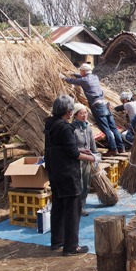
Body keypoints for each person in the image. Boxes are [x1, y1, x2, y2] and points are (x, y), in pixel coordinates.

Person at [44, 95, 96, 256]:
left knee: (58, 206)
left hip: (55, 171)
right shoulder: (65, 127)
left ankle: (56, 242)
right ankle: (71, 247)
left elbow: (61, 147)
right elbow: (73, 153)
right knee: (73, 210)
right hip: (67, 173)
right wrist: (91, 157)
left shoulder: (50, 124)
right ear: (68, 111)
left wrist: (80, 150)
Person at [62, 63, 124, 156]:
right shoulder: (95, 77)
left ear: (84, 71)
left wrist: (63, 78)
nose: (80, 72)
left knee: (106, 129)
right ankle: (121, 147)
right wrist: (75, 74)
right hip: (105, 104)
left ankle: (113, 149)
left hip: (98, 107)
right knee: (113, 128)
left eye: (81, 71)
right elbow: (82, 77)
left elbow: (72, 81)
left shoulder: (84, 80)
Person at [71, 103, 102, 217]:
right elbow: (71, 147)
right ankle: (77, 207)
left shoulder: (87, 127)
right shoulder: (72, 128)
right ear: (75, 115)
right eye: (82, 113)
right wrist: (81, 151)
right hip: (77, 160)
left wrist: (96, 156)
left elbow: (92, 144)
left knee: (86, 184)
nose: (85, 115)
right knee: (79, 184)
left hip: (87, 160)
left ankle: (82, 204)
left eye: (86, 113)